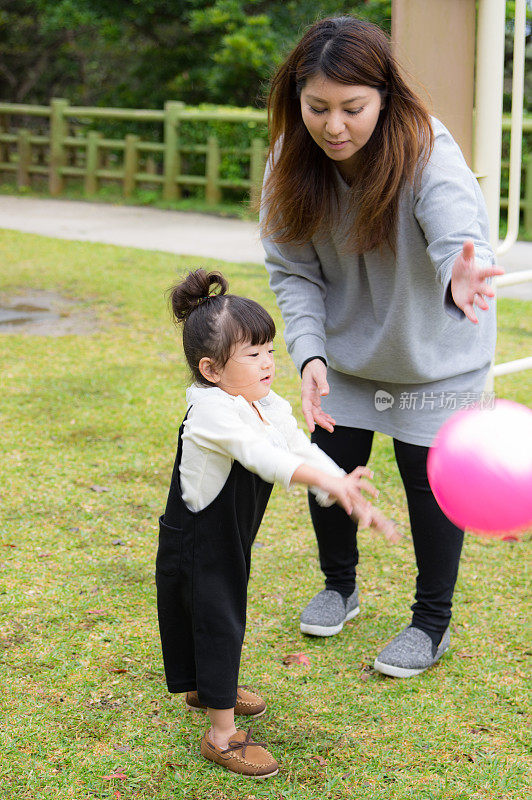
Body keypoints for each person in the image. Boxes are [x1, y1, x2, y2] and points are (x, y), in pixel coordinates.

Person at [260, 15, 504, 678]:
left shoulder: (425, 148)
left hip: (434, 357)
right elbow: (293, 270)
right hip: (345, 355)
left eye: (352, 108)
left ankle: (432, 623)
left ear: (385, 97)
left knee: (431, 485)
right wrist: (309, 355)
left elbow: (456, 230)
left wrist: (460, 267)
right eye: (318, 107)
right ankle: (340, 586)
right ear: (297, 100)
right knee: (331, 471)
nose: (334, 125)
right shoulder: (291, 156)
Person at [156, 268, 397, 778]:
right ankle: (222, 736)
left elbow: (298, 448)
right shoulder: (212, 413)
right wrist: (333, 485)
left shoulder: (265, 403)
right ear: (212, 369)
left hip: (230, 536)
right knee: (219, 620)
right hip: (199, 540)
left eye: (269, 349)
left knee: (219, 611)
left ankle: (208, 687)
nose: (268, 361)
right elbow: (269, 461)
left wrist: (346, 490)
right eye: (252, 353)